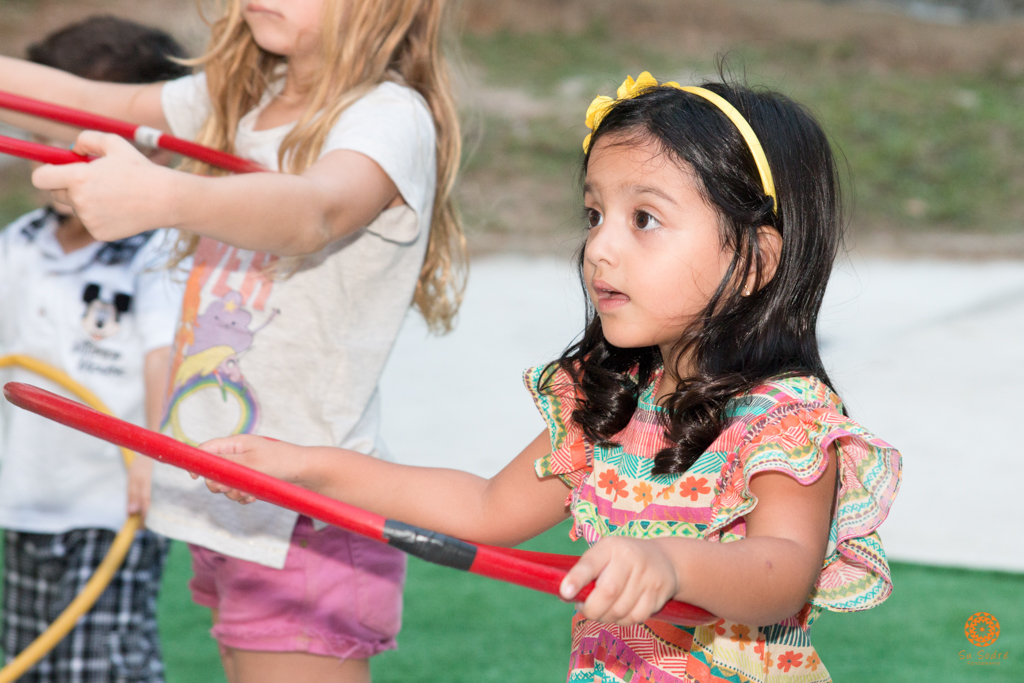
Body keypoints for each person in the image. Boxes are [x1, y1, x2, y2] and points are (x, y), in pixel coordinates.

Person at [198, 72, 903, 683]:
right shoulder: (610, 405)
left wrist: (671, 562)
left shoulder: (785, 419)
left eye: (644, 218)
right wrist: (309, 467)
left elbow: (781, 572)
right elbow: (482, 507)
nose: (599, 246)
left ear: (753, 260)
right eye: (594, 214)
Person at [0, 1, 463, 681]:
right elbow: (82, 103)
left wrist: (163, 196)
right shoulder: (244, 96)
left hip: (306, 514)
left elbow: (316, 211)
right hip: (235, 499)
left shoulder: (386, 116)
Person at [0, 16, 189, 683]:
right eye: (38, 141)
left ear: (151, 156)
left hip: (113, 501)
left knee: (99, 666)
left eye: (67, 148)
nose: (44, 164)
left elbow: (161, 353)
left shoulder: (157, 249)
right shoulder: (20, 243)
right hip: (25, 498)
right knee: (32, 662)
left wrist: (149, 453)